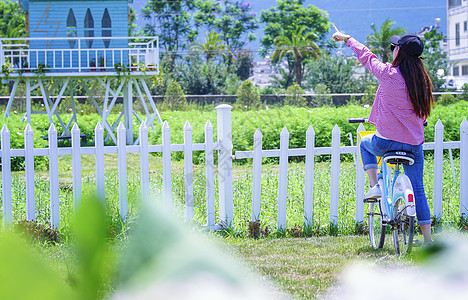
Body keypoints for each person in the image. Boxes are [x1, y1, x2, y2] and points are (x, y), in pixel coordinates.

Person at [332, 26, 434, 244]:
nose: (392, 50)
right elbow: (423, 114)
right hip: (414, 146)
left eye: (393, 47)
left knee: (365, 143)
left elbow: (367, 57)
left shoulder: (389, 75)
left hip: (385, 143)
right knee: (418, 189)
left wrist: (348, 38)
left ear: (399, 52)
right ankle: (427, 241)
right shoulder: (422, 81)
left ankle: (375, 185)